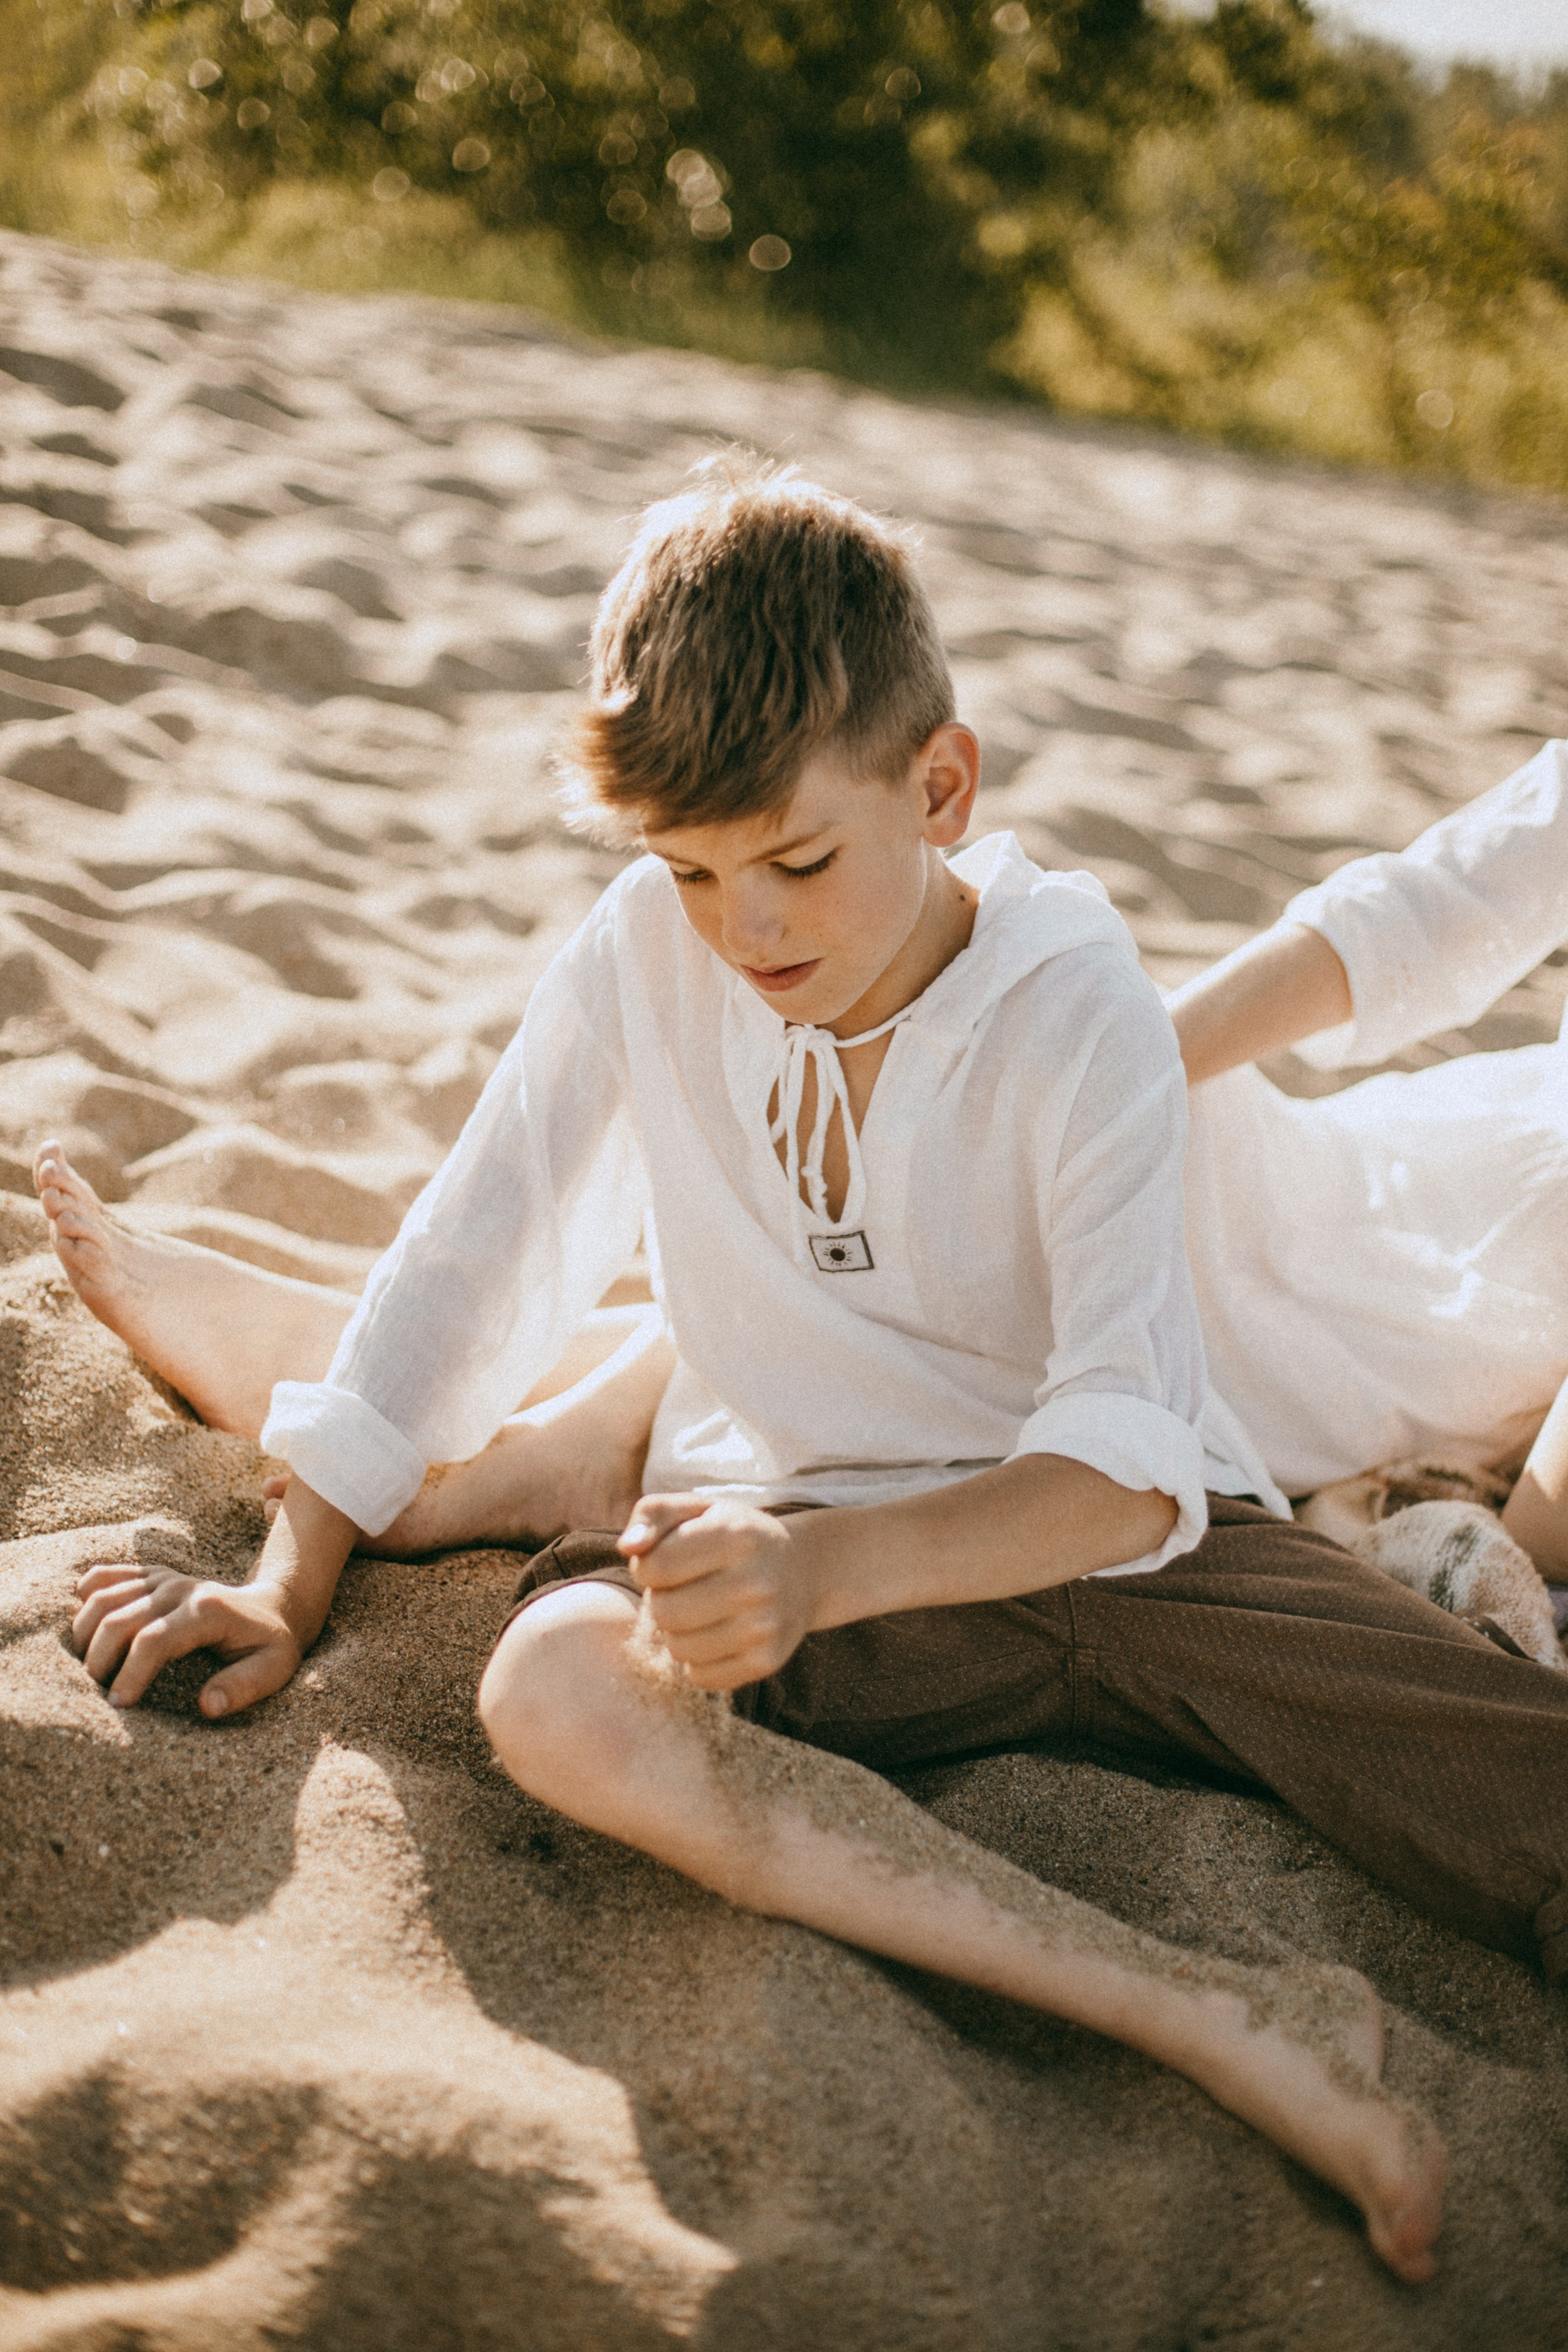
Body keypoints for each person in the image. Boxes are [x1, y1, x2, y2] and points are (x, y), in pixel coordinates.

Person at [34, 457, 1567, 2286]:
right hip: (826, 1511)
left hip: (1128, 1547)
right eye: (690, 869)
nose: (744, 926)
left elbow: (1132, 1466)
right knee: (556, 1691)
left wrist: (813, 1573)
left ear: (941, 787)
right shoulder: (647, 952)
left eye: (796, 863)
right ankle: (1212, 2014)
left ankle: (544, 1440)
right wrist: (290, 1580)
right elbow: (479, 1238)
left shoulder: (1071, 997)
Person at [1160, 739, 1568, 1574]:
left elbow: (1539, 1541)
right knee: (1151, 1112)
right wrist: (1137, 1064)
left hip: (1456, 1326)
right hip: (1408, 1152)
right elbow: (1424, 908)